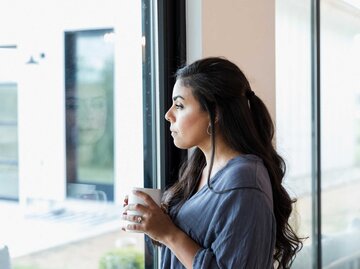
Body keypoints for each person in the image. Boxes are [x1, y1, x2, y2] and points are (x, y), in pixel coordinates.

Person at [122, 57, 303, 268]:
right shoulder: (202, 167)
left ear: (214, 113)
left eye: (179, 105)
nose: (168, 115)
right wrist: (155, 223)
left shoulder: (244, 182)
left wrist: (169, 234)